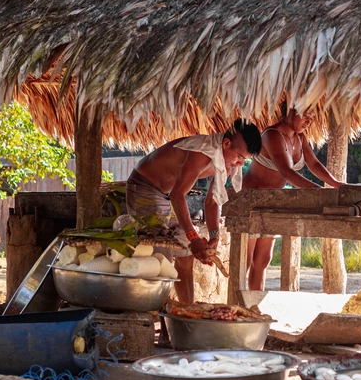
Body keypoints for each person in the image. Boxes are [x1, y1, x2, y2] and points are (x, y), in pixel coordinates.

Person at [126, 119, 262, 304]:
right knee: (161, 256)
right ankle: (161, 321)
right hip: (144, 187)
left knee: (186, 253)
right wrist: (194, 237)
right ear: (226, 143)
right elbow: (177, 195)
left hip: (166, 195)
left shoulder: (227, 164)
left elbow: (213, 202)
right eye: (238, 156)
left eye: (244, 160)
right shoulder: (201, 152)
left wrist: (214, 235)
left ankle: (187, 312)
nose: (239, 163)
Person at [242, 103, 341, 291]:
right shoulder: (271, 135)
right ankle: (236, 307)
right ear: (289, 112)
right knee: (244, 261)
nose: (309, 120)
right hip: (250, 202)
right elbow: (287, 173)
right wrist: (320, 192)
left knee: (262, 261)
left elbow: (314, 164)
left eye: (312, 117)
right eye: (305, 115)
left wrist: (337, 185)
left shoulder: (300, 138)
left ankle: (253, 307)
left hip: (271, 204)